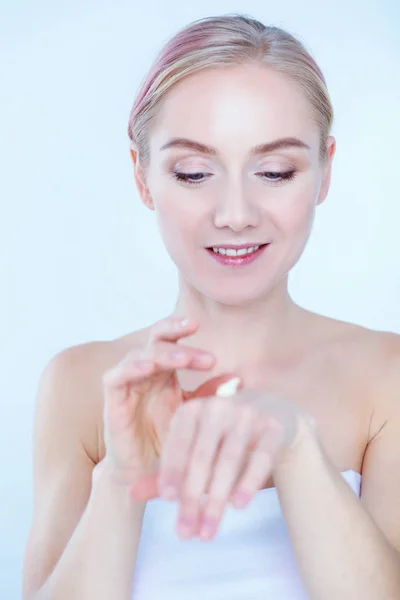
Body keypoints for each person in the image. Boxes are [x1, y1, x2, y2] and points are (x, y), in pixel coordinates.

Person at [22, 12, 400, 600]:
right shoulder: (79, 384)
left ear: (324, 170)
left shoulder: (387, 376)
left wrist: (297, 450)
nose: (235, 212)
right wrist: (122, 481)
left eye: (275, 171)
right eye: (194, 172)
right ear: (143, 178)